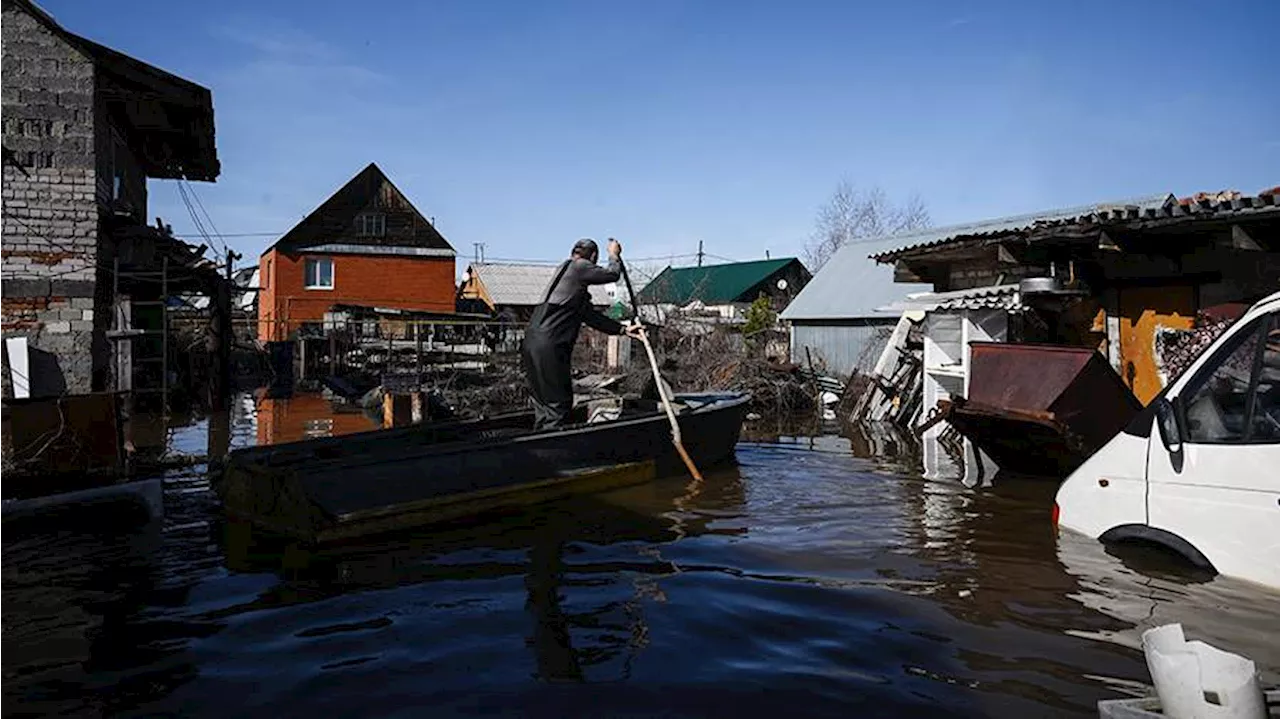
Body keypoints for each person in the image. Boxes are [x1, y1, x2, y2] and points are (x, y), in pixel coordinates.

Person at [521, 238, 643, 430]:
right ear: (593, 257)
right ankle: (555, 449)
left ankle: (542, 437)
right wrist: (614, 255)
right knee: (558, 403)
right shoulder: (578, 267)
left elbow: (591, 317)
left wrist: (623, 329)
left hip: (531, 343)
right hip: (549, 345)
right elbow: (612, 274)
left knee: (545, 403)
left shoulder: (566, 280)